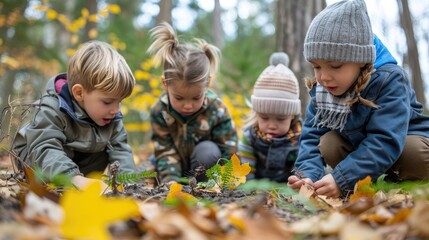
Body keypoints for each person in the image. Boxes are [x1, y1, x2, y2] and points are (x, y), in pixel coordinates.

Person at [288, 0, 429, 198]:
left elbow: (385, 140)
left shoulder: (390, 80)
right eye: (316, 67)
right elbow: (310, 138)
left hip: (403, 148)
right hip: (363, 156)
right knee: (328, 142)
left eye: (335, 66)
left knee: (416, 152)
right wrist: (308, 175)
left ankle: (409, 187)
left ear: (361, 60)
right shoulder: (323, 89)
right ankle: (363, 185)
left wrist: (342, 177)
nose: (324, 77)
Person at [13, 40, 137, 191]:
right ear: (79, 93)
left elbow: (121, 151)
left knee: (113, 146)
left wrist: (129, 185)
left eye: (120, 102)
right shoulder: (51, 108)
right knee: (43, 155)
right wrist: (74, 178)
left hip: (79, 166)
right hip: (36, 162)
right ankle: (68, 181)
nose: (116, 110)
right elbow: (44, 147)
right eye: (108, 102)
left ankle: (76, 182)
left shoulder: (111, 117)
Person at [147, 22, 238, 184]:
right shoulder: (159, 111)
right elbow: (165, 150)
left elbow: (228, 151)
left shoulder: (217, 110)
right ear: (165, 84)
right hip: (172, 168)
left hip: (206, 170)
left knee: (208, 151)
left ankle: (201, 187)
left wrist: (225, 181)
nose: (188, 106)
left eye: (196, 98)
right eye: (179, 98)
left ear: (207, 84)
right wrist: (171, 183)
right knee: (148, 166)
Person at [238, 52, 302, 182]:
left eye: (280, 119)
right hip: (258, 186)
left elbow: (302, 166)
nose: (272, 125)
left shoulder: (301, 137)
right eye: (264, 118)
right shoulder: (251, 136)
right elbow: (246, 168)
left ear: (292, 115)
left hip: (288, 188)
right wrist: (248, 189)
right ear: (257, 113)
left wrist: (298, 185)